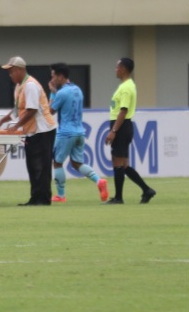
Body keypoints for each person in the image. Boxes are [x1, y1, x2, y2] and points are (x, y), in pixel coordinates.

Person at [0, 56, 57, 206]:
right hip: (33, 131)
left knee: (41, 166)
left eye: (12, 71)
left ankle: (43, 198)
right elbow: (18, 110)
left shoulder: (30, 85)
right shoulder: (20, 87)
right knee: (33, 165)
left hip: (43, 130)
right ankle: (35, 198)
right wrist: (1, 122)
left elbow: (32, 110)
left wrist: (16, 126)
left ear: (20, 70)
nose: (10, 75)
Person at [48, 63, 108, 203]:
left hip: (66, 133)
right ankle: (99, 181)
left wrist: (52, 91)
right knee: (76, 163)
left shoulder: (62, 92)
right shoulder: (78, 90)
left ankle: (61, 196)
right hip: (79, 131)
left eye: (53, 76)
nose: (52, 80)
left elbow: (50, 111)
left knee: (57, 162)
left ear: (61, 76)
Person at [103, 58, 156, 204]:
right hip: (123, 126)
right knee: (123, 165)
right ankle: (146, 190)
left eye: (117, 67)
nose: (115, 70)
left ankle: (119, 198)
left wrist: (113, 131)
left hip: (121, 126)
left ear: (123, 69)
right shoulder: (126, 85)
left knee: (118, 163)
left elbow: (123, 111)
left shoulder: (126, 87)